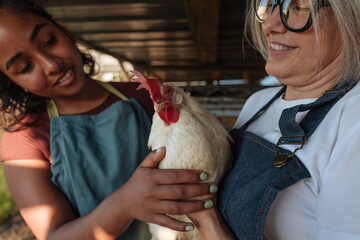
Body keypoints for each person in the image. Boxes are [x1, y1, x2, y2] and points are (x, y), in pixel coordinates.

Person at [0, 1, 218, 239]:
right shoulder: (25, 140)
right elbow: (55, 235)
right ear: (12, 82)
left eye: (49, 41)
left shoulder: (145, 97)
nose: (52, 65)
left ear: (64, 30)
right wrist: (124, 204)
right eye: (25, 66)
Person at [189, 0, 360, 239]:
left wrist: (205, 219)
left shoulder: (353, 117)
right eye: (268, 4)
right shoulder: (258, 102)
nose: (270, 24)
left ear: (352, 17)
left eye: (299, 6)